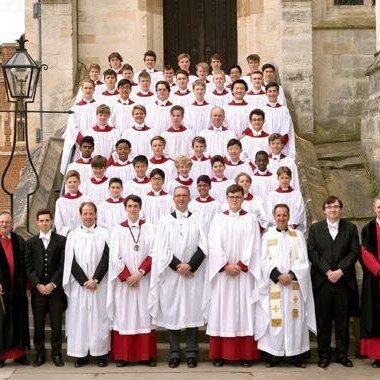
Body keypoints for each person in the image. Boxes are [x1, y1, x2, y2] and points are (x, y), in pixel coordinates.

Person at [149, 186, 207, 369]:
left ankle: (192, 353)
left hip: (192, 274)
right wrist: (178, 267)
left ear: (190, 198)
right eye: (178, 196)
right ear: (173, 199)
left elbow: (204, 246)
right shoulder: (165, 221)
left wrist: (190, 265)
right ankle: (174, 352)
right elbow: (161, 249)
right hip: (172, 274)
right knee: (172, 312)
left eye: (184, 195)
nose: (181, 199)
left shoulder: (197, 219)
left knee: (191, 311)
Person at [206, 184, 261, 367]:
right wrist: (225, 265)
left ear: (243, 197)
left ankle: (245, 354)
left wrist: (241, 264)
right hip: (224, 275)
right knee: (223, 311)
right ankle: (220, 354)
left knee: (243, 312)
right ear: (227, 198)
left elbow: (253, 245)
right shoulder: (218, 219)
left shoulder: (251, 219)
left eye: (237, 196)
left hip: (243, 275)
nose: (234, 200)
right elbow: (213, 244)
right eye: (231, 196)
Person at [257, 204, 316, 368]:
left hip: (293, 285)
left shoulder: (297, 235)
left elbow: (303, 260)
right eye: (278, 215)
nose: (281, 218)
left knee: (294, 319)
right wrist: (277, 275)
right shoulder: (267, 236)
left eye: (284, 215)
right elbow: (263, 260)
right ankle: (273, 356)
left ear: (289, 217)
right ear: (273, 217)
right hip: (275, 284)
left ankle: (295, 356)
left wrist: (290, 275)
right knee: (275, 319)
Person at [307, 195, 359, 368]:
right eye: (329, 207)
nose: (332, 209)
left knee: (342, 320)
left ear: (340, 209)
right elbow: (313, 253)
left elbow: (354, 252)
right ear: (324, 210)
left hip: (343, 282)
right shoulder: (315, 229)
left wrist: (340, 271)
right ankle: (324, 354)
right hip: (323, 282)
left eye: (335, 206)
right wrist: (328, 271)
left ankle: (342, 354)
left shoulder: (350, 228)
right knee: (324, 320)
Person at [107, 195, 157, 367]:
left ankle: (146, 356)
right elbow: (114, 257)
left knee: (143, 317)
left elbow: (153, 253)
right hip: (125, 283)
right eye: (130, 206)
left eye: (136, 206)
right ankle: (123, 356)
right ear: (125, 208)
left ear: (140, 207)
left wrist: (140, 273)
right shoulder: (118, 230)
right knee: (125, 317)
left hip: (143, 280)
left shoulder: (150, 228)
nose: (133, 209)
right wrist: (128, 276)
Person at [63, 202, 110, 367]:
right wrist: (84, 280)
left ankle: (101, 354)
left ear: (96, 214)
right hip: (79, 285)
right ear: (80, 215)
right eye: (85, 214)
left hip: (99, 285)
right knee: (79, 319)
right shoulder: (73, 235)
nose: (88, 216)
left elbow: (107, 258)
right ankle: (80, 354)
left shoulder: (104, 234)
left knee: (100, 319)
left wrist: (95, 279)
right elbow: (70, 262)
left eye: (91, 213)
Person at [25, 209, 66, 367]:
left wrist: (52, 284)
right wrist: (37, 284)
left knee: (56, 324)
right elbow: (28, 267)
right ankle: (40, 354)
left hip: (55, 291)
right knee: (38, 324)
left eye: (47, 220)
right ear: (37, 222)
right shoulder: (31, 242)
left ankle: (56, 354)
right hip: (38, 291)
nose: (44, 223)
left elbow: (63, 266)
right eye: (41, 220)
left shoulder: (61, 241)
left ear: (52, 221)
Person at [0, 211, 30, 367]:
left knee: (19, 321)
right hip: (1, 291)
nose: (4, 225)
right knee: (2, 323)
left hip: (18, 289)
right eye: (2, 222)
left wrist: (27, 286)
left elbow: (26, 266)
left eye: (7, 222)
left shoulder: (19, 241)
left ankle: (20, 354)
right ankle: (2, 356)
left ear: (12, 225)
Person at [359, 196, 380, 368]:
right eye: (379, 207)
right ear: (374, 209)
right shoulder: (368, 229)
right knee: (375, 316)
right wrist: (378, 270)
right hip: (375, 280)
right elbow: (364, 252)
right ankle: (378, 356)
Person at [266, 167, 306, 232]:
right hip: (276, 229)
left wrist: (291, 226)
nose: (284, 180)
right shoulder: (272, 195)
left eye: (286, 178)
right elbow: (270, 213)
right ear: (278, 178)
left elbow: (299, 211)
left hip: (293, 229)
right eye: (282, 178)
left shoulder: (296, 194)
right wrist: (279, 226)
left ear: (290, 178)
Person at [55, 170, 90, 236]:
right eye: (70, 182)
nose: (72, 184)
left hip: (84, 235)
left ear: (79, 182)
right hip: (67, 236)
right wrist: (66, 232)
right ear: (66, 183)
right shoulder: (60, 202)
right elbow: (58, 221)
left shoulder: (86, 199)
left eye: (75, 182)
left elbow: (90, 218)